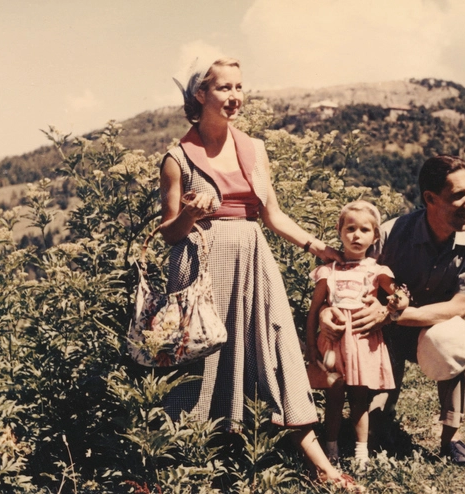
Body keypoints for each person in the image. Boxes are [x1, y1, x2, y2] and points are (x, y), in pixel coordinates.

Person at [159, 57, 360, 490]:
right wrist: (190, 216)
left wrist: (316, 245)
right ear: (200, 95)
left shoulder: (253, 148)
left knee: (276, 351)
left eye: (238, 87)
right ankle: (182, 466)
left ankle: (321, 468)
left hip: (252, 261)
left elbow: (272, 215)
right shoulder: (177, 158)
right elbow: (168, 233)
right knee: (199, 364)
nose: (234, 97)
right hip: (199, 269)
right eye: (224, 89)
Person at [320, 155, 465, 469]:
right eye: (458, 195)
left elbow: (461, 306)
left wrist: (392, 314)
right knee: (371, 431)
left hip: (431, 329)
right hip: (381, 336)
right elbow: (349, 275)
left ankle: (451, 439)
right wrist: (324, 312)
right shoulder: (391, 234)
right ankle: (378, 419)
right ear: (430, 198)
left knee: (455, 340)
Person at [305, 200, 408, 468]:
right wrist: (310, 346)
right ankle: (331, 448)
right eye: (350, 228)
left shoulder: (376, 270)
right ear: (339, 231)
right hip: (333, 342)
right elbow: (315, 309)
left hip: (362, 340)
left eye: (364, 230)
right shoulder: (329, 270)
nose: (356, 236)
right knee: (334, 397)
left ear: (375, 236)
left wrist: (398, 302)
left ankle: (362, 452)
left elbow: (398, 293)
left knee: (360, 399)